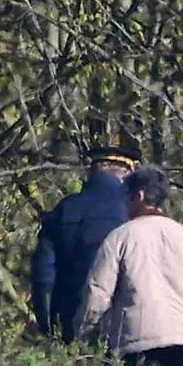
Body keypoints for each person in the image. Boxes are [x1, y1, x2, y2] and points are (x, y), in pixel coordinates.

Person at [75, 165, 183, 366]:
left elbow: (98, 293)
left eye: (127, 198)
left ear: (138, 196)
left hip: (137, 340)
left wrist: (83, 331)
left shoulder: (119, 238)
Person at [30, 143, 137, 341]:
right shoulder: (136, 214)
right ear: (127, 174)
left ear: (91, 171)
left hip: (73, 319)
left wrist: (48, 325)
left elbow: (43, 275)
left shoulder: (65, 210)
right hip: (129, 323)